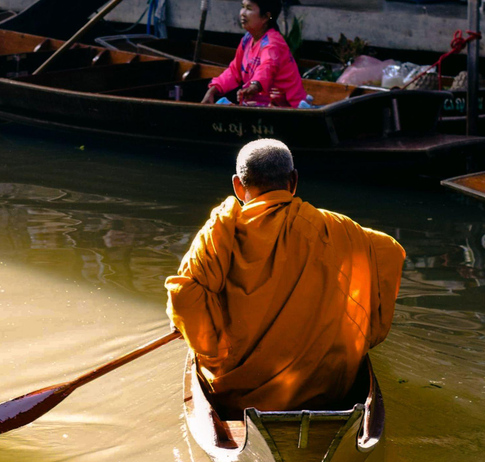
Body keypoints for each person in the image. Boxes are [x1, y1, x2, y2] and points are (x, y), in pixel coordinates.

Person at [165, 139, 405, 414]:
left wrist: (191, 329)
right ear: (293, 181)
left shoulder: (221, 233)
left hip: (238, 393)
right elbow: (390, 252)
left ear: (238, 185)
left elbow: (185, 295)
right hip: (325, 389)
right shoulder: (333, 228)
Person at [202, 0, 306, 107]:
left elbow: (267, 66)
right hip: (263, 105)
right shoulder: (247, 39)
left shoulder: (273, 43)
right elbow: (234, 71)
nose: (242, 13)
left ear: (266, 17)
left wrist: (254, 86)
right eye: (243, 7)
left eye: (249, 8)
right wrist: (212, 90)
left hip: (289, 106)